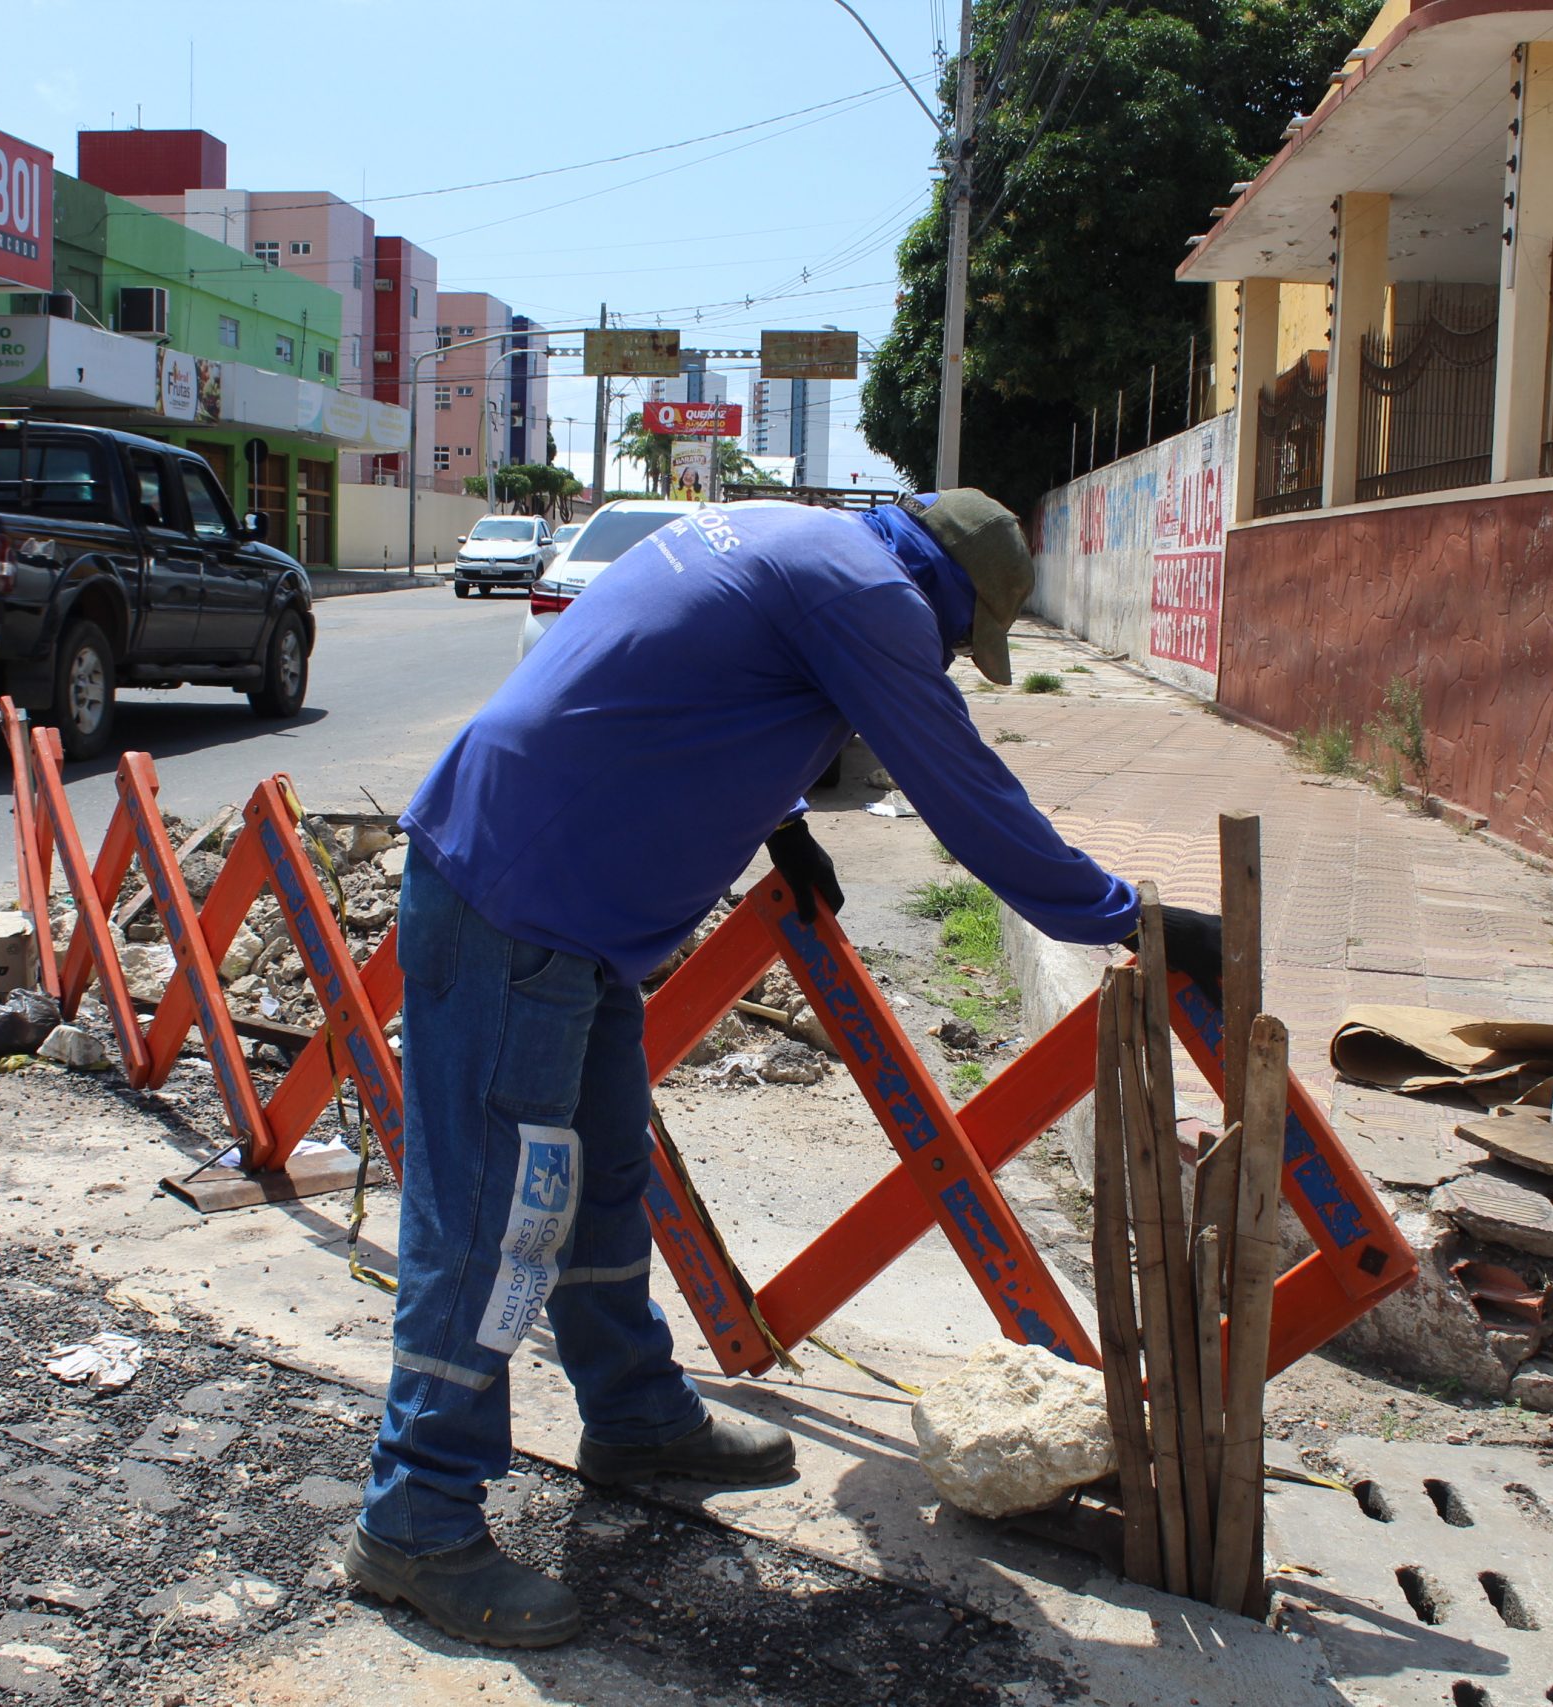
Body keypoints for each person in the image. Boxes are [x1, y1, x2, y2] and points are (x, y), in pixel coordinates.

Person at [347, 490, 1221, 1648]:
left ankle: (632, 1414)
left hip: (565, 900)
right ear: (947, 598)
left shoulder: (784, 534)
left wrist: (781, 818)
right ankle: (413, 1519)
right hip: (520, 898)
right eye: (962, 642)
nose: (951, 658)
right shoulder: (871, 598)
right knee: (492, 1219)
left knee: (606, 1175)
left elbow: (684, 679)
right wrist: (1127, 915)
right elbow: (965, 796)